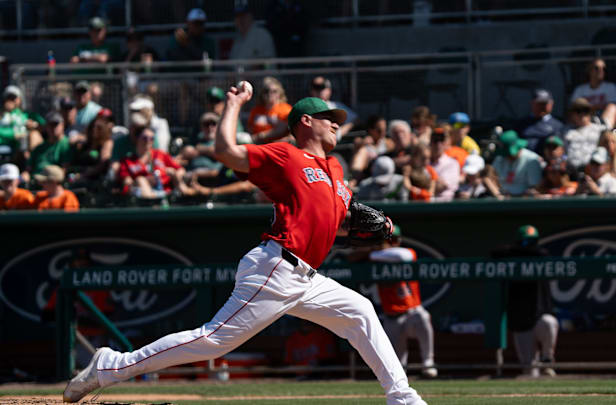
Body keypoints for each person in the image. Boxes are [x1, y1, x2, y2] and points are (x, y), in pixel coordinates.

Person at [62, 89, 428, 405]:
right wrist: (234, 103)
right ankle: (111, 365)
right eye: (327, 117)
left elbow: (336, 224)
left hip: (307, 277)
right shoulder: (287, 155)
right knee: (213, 341)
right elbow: (225, 150)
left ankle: (403, 397)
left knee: (360, 310)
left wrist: (368, 226)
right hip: (276, 267)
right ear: (304, 122)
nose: (335, 123)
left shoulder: (334, 170)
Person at [490, 225, 558, 378]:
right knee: (530, 372)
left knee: (549, 322)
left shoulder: (540, 256)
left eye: (530, 242)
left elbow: (542, 254)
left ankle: (547, 359)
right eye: (524, 241)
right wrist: (518, 251)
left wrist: (522, 251)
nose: (527, 245)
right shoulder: (510, 257)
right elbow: (495, 253)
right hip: (520, 322)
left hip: (538, 318)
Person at [369, 226, 437, 378]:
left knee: (423, 317)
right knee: (397, 367)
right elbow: (351, 257)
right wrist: (373, 253)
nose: (392, 243)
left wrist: (374, 253)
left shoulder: (402, 253)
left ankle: (428, 363)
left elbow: (404, 256)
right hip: (391, 315)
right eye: (387, 240)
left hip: (412, 311)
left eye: (393, 240)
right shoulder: (374, 257)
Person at [117, 126, 191, 200]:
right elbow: (127, 182)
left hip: (166, 191)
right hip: (141, 195)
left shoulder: (160, 154)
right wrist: (146, 180)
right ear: (137, 139)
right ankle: (155, 201)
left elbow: (181, 170)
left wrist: (173, 173)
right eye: (145, 138)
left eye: (152, 138)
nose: (148, 141)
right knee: (140, 180)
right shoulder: (127, 161)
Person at [23, 111, 75, 181]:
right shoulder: (40, 147)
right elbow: (28, 169)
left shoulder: (66, 145)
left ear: (63, 125)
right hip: (35, 181)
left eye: (55, 125)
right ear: (46, 127)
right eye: (50, 125)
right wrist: (25, 175)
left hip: (51, 182)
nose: (53, 128)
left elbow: (64, 170)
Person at [569, 58, 616, 125]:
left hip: (603, 120)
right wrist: (595, 107)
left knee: (612, 107)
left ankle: (604, 130)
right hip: (584, 119)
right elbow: (574, 108)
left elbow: (612, 107)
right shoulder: (580, 89)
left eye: (603, 68)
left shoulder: (611, 87)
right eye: (596, 68)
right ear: (589, 70)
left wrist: (587, 107)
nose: (601, 71)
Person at [492, 130, 542, 197]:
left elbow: (535, 187)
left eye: (509, 154)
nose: (508, 156)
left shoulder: (532, 159)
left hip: (523, 201)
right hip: (500, 198)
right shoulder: (499, 158)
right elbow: (493, 179)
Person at [562, 97, 605, 172]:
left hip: (594, 170)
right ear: (572, 114)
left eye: (585, 110)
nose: (582, 114)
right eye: (578, 111)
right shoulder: (565, 131)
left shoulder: (601, 129)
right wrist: (563, 160)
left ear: (590, 113)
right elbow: (562, 153)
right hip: (570, 171)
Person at [247, 76, 292, 143]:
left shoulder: (285, 109)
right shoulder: (256, 110)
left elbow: (281, 129)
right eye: (266, 91)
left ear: (280, 93)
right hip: (258, 145)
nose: (270, 94)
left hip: (277, 145)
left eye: (274, 91)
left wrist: (260, 136)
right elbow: (250, 128)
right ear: (262, 94)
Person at [517, 89, 563, 153]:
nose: (542, 107)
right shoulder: (521, 123)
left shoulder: (558, 126)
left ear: (551, 104)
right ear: (532, 103)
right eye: (539, 104)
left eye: (544, 104)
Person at [350, 115, 390, 182]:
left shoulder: (387, 142)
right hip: (366, 172)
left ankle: (353, 181)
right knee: (362, 151)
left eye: (385, 130)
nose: (383, 133)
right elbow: (357, 143)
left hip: (383, 171)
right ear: (371, 130)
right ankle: (354, 179)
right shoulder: (363, 142)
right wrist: (364, 143)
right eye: (379, 130)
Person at [0, 85, 31, 163]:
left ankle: (28, 166)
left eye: (14, 98)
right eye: (9, 98)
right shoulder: (1, 114)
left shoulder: (23, 115)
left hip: (19, 147)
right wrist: (13, 134)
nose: (11, 101)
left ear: (19, 100)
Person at [429, 131, 460, 202]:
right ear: (430, 143)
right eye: (435, 141)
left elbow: (440, 186)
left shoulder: (452, 163)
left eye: (441, 141)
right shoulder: (424, 162)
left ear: (445, 143)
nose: (438, 144)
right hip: (425, 204)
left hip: (445, 206)